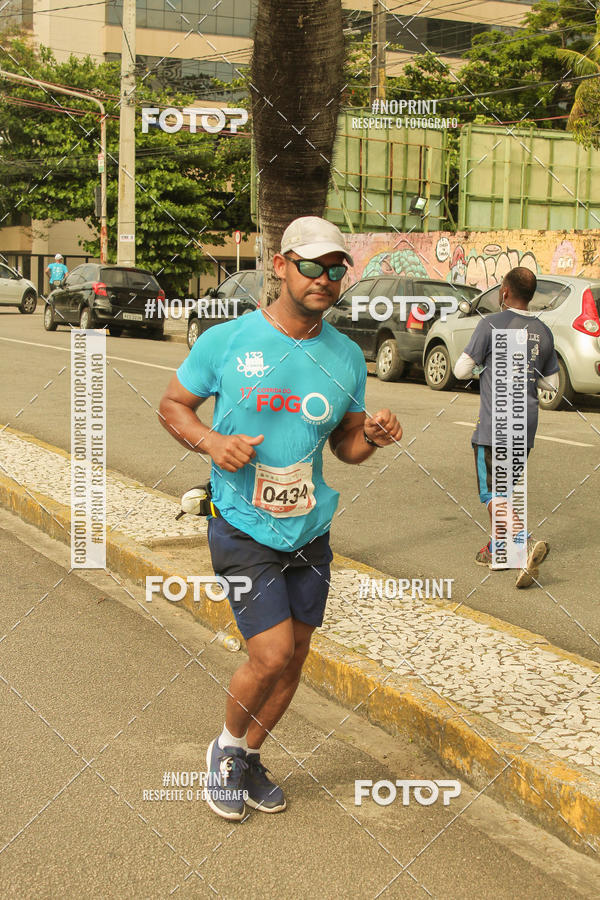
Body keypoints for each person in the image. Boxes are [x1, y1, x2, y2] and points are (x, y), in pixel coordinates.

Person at [159, 216, 402, 820]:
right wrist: (211, 444)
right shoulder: (229, 340)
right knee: (268, 655)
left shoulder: (345, 356)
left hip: (309, 529)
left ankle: (248, 755)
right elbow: (172, 406)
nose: (324, 278)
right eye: (311, 265)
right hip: (241, 522)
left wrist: (371, 436)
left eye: (335, 267)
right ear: (280, 265)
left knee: (295, 657)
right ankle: (224, 749)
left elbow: (345, 446)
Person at [453, 266, 559, 589]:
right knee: (506, 491)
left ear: (504, 292)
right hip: (525, 426)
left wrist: (485, 368)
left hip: (493, 427)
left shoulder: (489, 324)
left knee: (492, 493)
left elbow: (459, 370)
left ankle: (524, 543)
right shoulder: (543, 332)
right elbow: (551, 387)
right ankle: (501, 551)